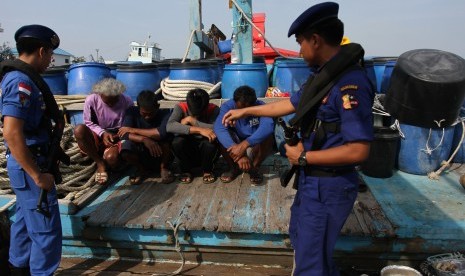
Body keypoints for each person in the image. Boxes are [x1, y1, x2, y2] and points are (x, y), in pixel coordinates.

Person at [222, 2, 375, 275]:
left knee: (311, 261)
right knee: (305, 244)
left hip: (329, 186)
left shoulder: (349, 84)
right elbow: (285, 105)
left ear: (316, 41)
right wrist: (245, 109)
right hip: (311, 181)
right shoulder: (323, 78)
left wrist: (303, 156)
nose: (300, 49)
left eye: (301, 42)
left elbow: (359, 151)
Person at [0, 24, 63, 275]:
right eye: (49, 55)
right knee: (46, 232)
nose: (50, 61)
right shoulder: (21, 83)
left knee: (25, 224)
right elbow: (11, 132)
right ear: (40, 51)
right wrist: (38, 175)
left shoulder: (20, 79)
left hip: (27, 163)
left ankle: (17, 269)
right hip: (30, 165)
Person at [73, 78, 133, 184]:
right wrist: (103, 133)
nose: (110, 104)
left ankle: (112, 162)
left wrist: (116, 137)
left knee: (112, 159)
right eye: (107, 101)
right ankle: (100, 163)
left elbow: (128, 125)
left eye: (114, 101)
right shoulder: (92, 100)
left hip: (118, 134)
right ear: (100, 94)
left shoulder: (126, 101)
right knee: (79, 130)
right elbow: (89, 122)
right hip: (98, 131)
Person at [213, 85, 275, 185]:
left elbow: (268, 126)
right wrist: (238, 153)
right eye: (241, 108)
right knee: (221, 137)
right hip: (236, 140)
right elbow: (219, 128)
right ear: (234, 102)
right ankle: (233, 168)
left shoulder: (261, 106)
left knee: (268, 137)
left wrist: (246, 144)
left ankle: (254, 168)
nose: (244, 112)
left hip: (254, 140)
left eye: (248, 109)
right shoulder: (227, 106)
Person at [118, 90, 175, 185]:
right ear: (138, 107)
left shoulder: (165, 112)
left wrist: (134, 130)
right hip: (142, 151)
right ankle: (141, 169)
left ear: (157, 107)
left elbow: (161, 134)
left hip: (161, 153)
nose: (147, 117)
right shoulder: (131, 112)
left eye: (151, 113)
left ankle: (163, 167)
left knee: (166, 140)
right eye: (144, 114)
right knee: (125, 147)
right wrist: (144, 139)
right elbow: (123, 134)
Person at [166, 89, 219, 184]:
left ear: (207, 106)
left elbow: (217, 128)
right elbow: (170, 126)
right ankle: (186, 170)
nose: (195, 116)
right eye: (193, 114)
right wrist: (200, 130)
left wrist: (192, 121)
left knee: (211, 143)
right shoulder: (180, 107)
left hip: (205, 149)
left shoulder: (214, 109)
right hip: (189, 148)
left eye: (199, 114)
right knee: (177, 142)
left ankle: (207, 170)